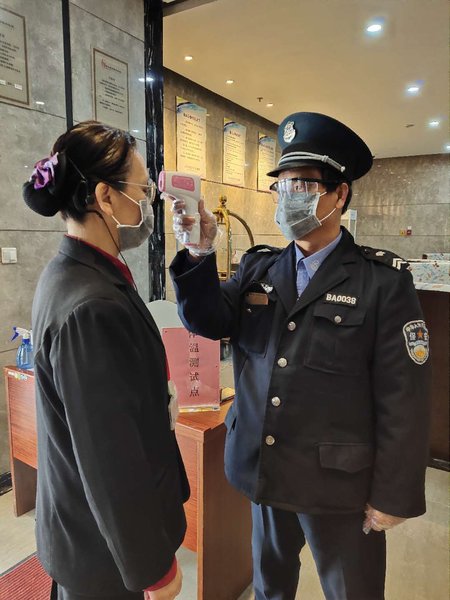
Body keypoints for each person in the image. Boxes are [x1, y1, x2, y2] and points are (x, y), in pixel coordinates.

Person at [168, 112, 431, 600]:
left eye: (304, 185)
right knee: (270, 588)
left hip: (339, 485)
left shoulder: (381, 282)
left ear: (340, 194)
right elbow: (208, 321)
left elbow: (405, 398)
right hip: (265, 468)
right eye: (283, 185)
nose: (290, 196)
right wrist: (200, 254)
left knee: (352, 592)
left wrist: (392, 493)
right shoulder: (258, 268)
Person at [23, 121, 189, 600]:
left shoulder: (75, 272)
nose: (149, 203)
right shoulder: (91, 306)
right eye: (143, 190)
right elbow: (109, 458)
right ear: (105, 196)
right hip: (101, 552)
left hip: (86, 532)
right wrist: (153, 569)